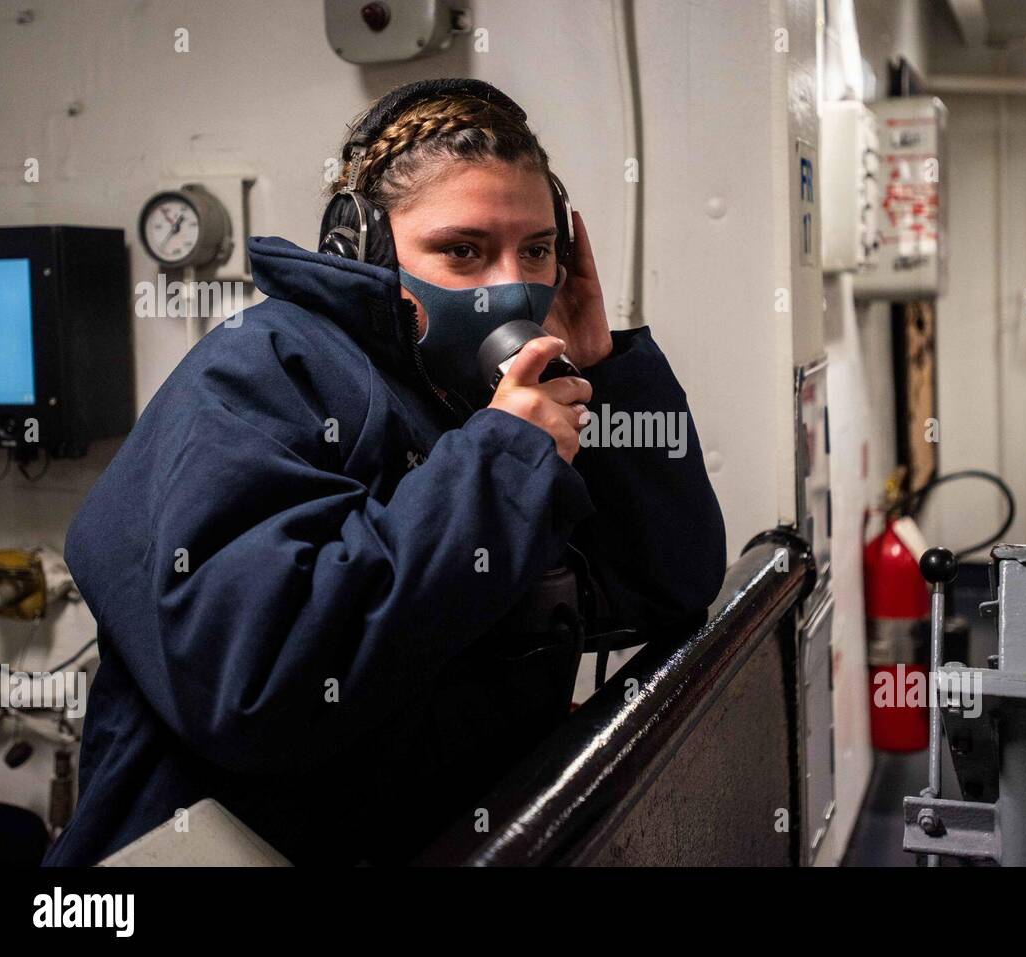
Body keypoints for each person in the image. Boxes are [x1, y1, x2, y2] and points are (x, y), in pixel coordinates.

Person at [42, 78, 726, 865]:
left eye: (535, 251)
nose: (509, 286)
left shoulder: (479, 397)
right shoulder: (260, 371)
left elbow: (672, 584)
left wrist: (607, 375)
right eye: (462, 250)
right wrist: (502, 461)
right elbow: (258, 678)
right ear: (360, 244)